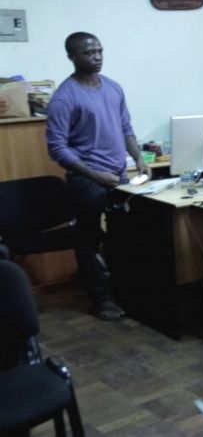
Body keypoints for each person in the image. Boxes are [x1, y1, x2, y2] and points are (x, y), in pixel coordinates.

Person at [46, 32, 148, 321]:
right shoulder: (65, 97)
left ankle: (128, 291)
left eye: (99, 51)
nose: (97, 57)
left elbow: (126, 128)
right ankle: (101, 300)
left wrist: (138, 158)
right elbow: (57, 148)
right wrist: (95, 175)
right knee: (88, 238)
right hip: (86, 178)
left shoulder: (113, 88)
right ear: (72, 57)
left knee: (128, 235)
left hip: (117, 176)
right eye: (89, 53)